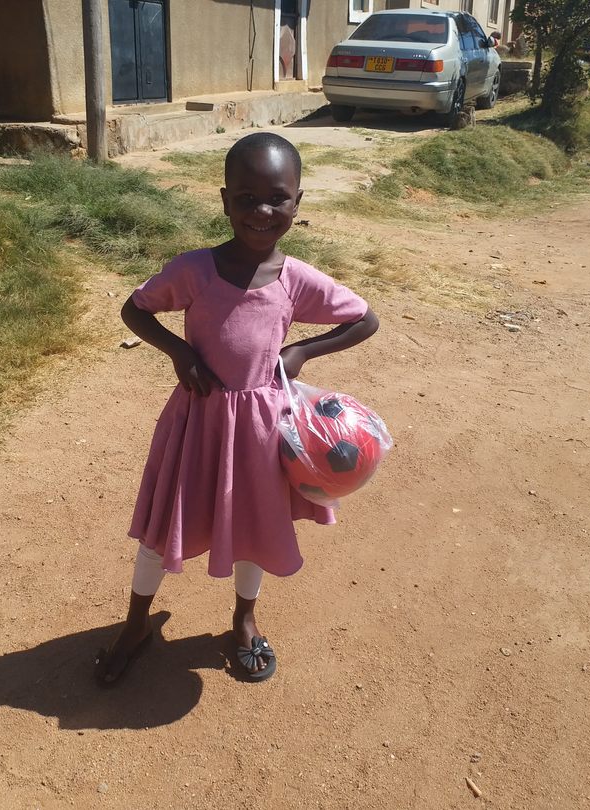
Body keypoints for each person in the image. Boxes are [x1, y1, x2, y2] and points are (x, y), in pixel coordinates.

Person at [95, 132, 379, 685]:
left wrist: (301, 351)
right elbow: (136, 310)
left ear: (298, 202)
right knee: (163, 524)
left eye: (277, 198)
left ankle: (244, 620)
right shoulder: (195, 270)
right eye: (246, 199)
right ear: (225, 201)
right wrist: (179, 353)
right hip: (196, 424)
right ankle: (135, 624)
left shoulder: (296, 280)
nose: (261, 212)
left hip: (260, 432)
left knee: (254, 522)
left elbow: (364, 320)